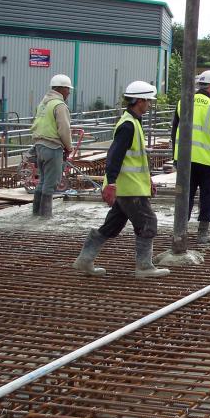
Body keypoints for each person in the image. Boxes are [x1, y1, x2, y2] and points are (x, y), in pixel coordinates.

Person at [72, 81, 169, 278]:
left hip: (130, 186)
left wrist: (147, 179)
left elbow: (135, 158)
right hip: (128, 188)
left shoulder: (133, 122)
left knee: (112, 226)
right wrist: (112, 184)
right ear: (139, 100)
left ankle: (85, 259)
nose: (149, 104)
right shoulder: (128, 125)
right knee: (149, 222)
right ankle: (144, 267)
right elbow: (114, 157)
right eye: (148, 101)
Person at [171, 69, 210, 243]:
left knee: (184, 195)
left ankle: (181, 230)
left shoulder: (183, 103)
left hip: (184, 160)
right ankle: (203, 233)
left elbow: (174, 132)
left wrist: (175, 157)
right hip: (207, 161)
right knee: (207, 196)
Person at [29, 74, 75, 218]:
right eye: (68, 89)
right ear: (62, 89)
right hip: (52, 147)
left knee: (42, 181)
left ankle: (36, 213)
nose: (69, 92)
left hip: (39, 146)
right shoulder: (59, 105)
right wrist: (69, 147)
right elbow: (64, 129)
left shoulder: (43, 103)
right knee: (51, 183)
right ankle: (45, 215)